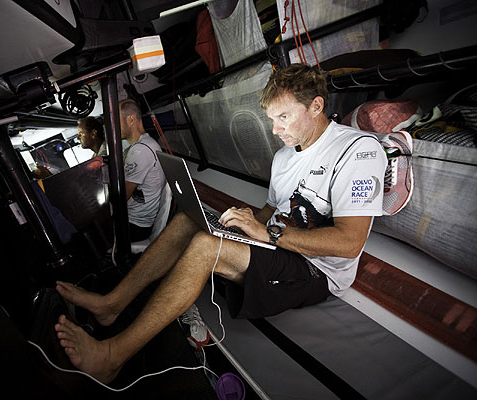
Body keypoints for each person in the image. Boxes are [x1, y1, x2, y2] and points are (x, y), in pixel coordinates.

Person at [53, 64, 388, 384]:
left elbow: (349, 243)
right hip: (278, 245)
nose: (275, 130)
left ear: (316, 106)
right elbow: (269, 211)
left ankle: (114, 356)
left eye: (284, 117)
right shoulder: (285, 156)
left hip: (315, 270)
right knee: (189, 221)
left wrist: (268, 232)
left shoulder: (357, 150)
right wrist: (241, 220)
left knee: (205, 247)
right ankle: (113, 304)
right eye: (272, 119)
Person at [119, 98, 166, 242]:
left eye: (116, 121)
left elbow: (122, 197)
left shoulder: (140, 151)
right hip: (136, 219)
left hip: (137, 224)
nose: (113, 127)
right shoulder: (143, 144)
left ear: (131, 119)